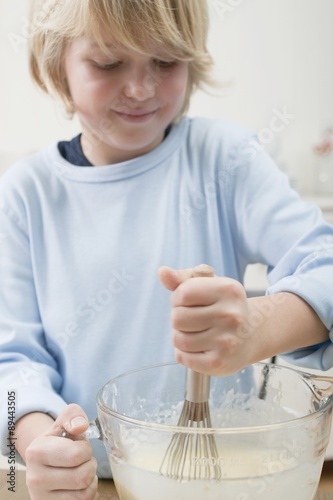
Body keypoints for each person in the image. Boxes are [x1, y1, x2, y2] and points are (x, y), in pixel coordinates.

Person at [0, 0, 332, 498]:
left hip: (222, 479)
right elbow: (12, 360)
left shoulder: (227, 160)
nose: (140, 89)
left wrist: (257, 327)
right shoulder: (26, 195)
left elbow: (323, 265)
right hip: (93, 485)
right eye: (109, 63)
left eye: (166, 61)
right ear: (56, 65)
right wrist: (36, 443)